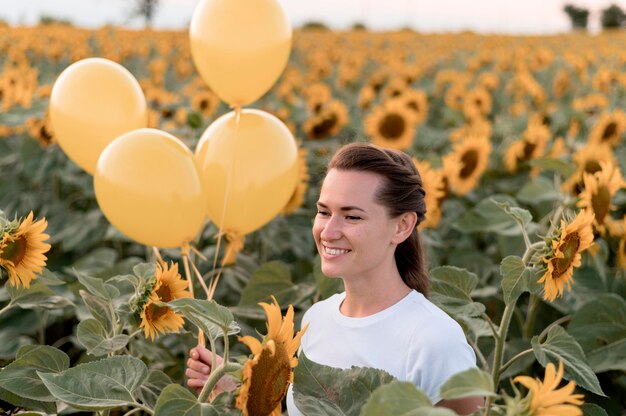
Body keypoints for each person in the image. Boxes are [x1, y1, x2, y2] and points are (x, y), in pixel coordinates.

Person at [187, 143, 484, 415]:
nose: (328, 231)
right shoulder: (316, 320)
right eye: (323, 211)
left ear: (402, 226)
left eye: (352, 216)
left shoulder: (434, 340)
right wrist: (239, 388)